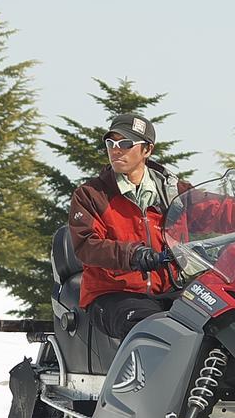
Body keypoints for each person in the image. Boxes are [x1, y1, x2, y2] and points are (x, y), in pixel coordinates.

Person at [68, 113, 190, 340]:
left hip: (169, 290)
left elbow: (216, 208)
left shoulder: (172, 192)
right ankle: (145, 376)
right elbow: (87, 245)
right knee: (151, 330)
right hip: (112, 293)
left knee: (217, 320)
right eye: (110, 143)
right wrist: (133, 254)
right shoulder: (92, 195)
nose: (116, 150)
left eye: (125, 143)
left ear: (148, 150)